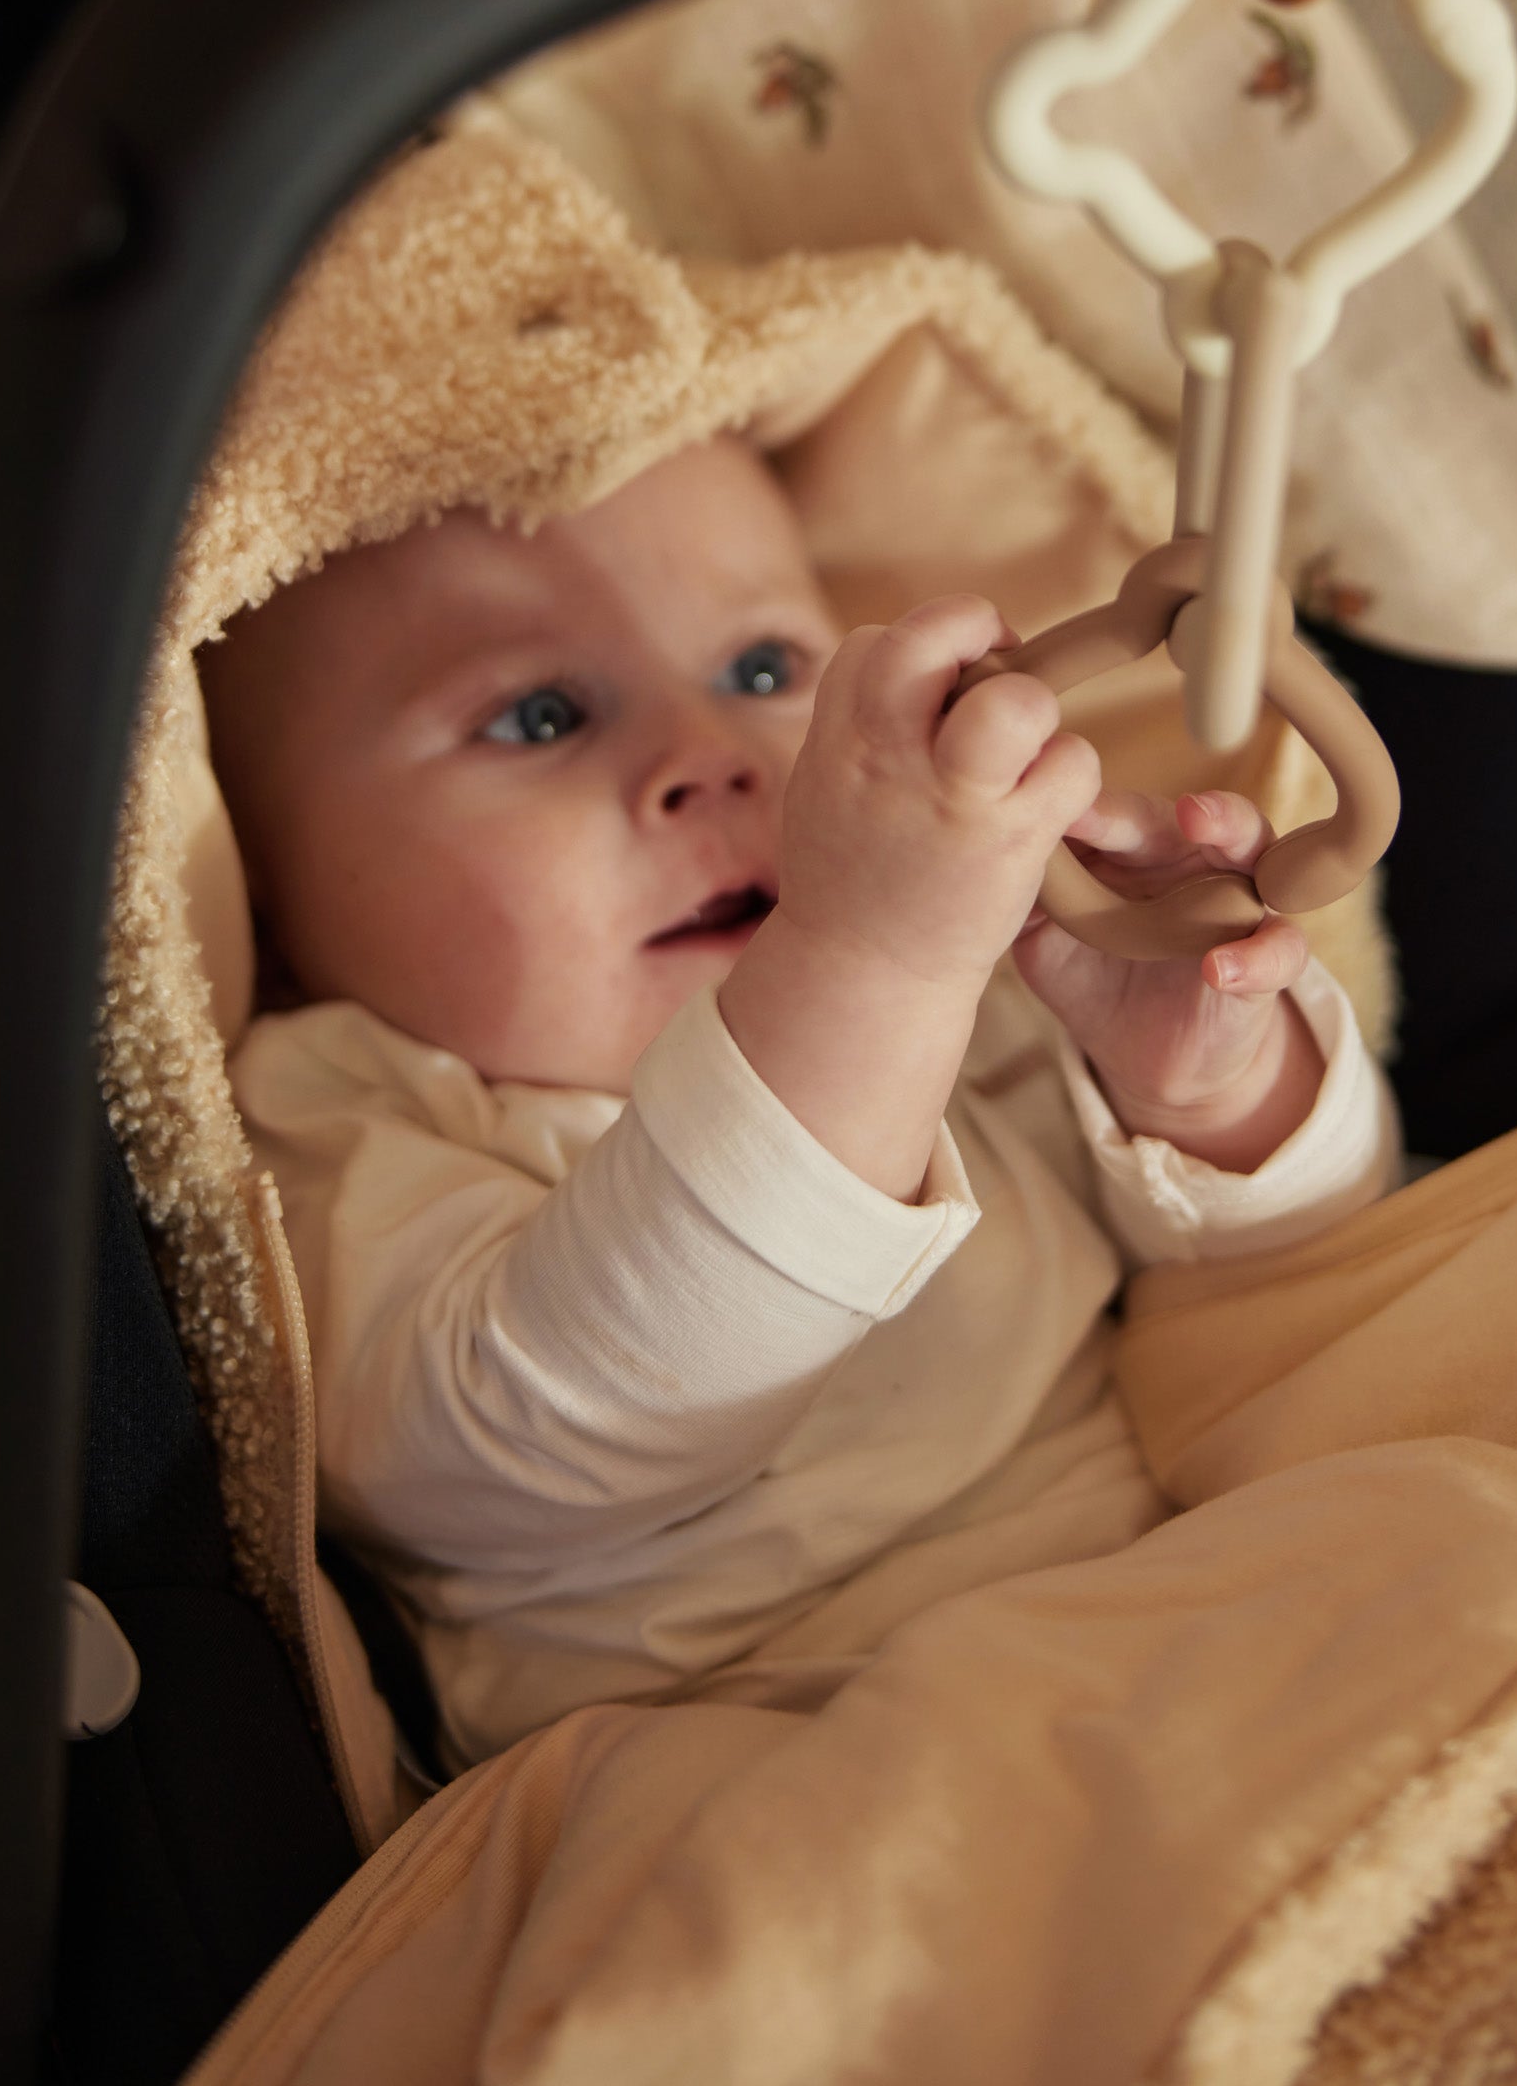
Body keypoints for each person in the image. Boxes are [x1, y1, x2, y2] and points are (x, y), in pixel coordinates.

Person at [205, 430, 1399, 1769]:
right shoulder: (332, 1116)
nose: (714, 753)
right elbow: (537, 1433)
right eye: (540, 716)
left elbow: (1301, 1282)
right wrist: (870, 960)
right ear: (271, 899)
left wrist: (1207, 1085)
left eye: (761, 671)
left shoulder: (963, 982)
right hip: (783, 1754)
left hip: (1199, 1602)